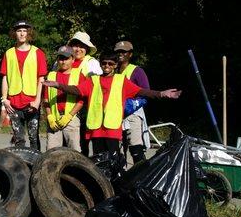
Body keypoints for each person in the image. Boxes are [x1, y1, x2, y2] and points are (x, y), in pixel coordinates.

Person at [43, 52, 181, 155]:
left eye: (110, 64)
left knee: (114, 160)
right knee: (100, 161)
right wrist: (58, 85)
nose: (107, 66)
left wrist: (162, 93)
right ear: (101, 64)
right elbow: (76, 90)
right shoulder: (93, 80)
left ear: (115, 65)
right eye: (104, 63)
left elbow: (142, 91)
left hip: (112, 129)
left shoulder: (122, 81)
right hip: (96, 129)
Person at [0, 20, 48, 151]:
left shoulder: (38, 53)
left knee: (34, 138)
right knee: (18, 139)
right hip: (13, 103)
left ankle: (37, 166)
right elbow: (5, 77)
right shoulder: (8, 53)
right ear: (15, 33)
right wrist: (5, 99)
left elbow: (41, 79)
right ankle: (20, 167)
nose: (22, 34)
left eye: (24, 31)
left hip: (31, 103)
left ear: (29, 33)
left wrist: (38, 100)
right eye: (19, 31)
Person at [43, 46, 85, 151]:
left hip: (71, 118)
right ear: (57, 60)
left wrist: (69, 116)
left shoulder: (79, 75)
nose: (63, 61)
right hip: (54, 118)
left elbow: (82, 100)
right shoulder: (52, 75)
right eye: (61, 58)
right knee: (52, 152)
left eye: (66, 58)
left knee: (74, 150)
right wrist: (49, 117)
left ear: (73, 59)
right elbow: (46, 99)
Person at [115, 40, 150, 164]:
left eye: (124, 52)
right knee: (118, 152)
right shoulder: (113, 70)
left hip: (133, 114)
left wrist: (132, 105)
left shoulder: (137, 71)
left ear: (130, 54)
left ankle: (142, 178)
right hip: (116, 115)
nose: (120, 54)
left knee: (136, 149)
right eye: (118, 51)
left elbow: (146, 93)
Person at [68, 31, 102, 156]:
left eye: (82, 46)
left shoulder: (91, 63)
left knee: (82, 143)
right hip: (66, 107)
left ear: (87, 48)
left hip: (85, 109)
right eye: (75, 45)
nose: (78, 49)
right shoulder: (63, 60)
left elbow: (98, 87)